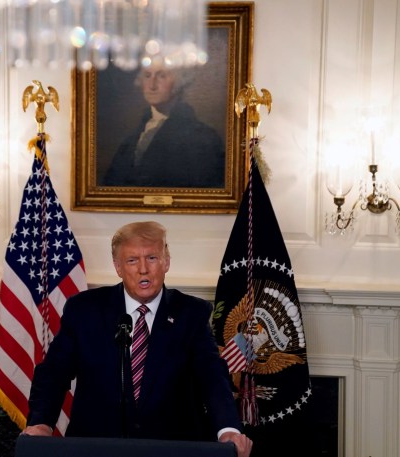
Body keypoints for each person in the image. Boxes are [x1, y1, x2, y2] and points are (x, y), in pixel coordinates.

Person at [23, 221, 252, 457]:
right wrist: (42, 423)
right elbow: (54, 372)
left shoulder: (191, 314)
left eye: (152, 258)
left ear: (166, 262)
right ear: (118, 267)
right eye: (132, 260)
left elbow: (212, 377)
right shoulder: (84, 310)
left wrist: (228, 430)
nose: (143, 269)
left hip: (171, 450)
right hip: (95, 448)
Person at [102, 65, 225, 188]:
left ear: (179, 81)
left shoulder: (203, 137)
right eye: (147, 75)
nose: (152, 85)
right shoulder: (132, 139)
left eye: (162, 76)